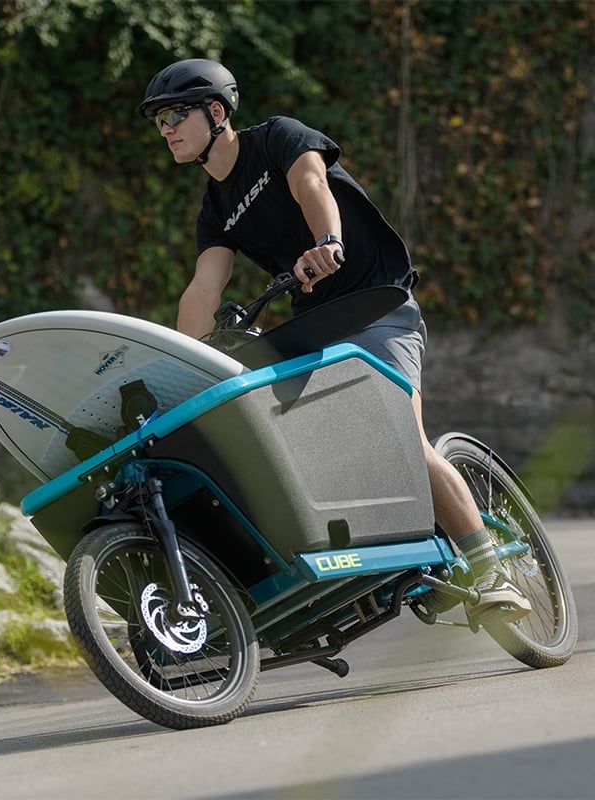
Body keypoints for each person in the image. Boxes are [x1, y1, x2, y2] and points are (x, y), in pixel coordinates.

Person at [137, 58, 531, 623]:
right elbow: (202, 291)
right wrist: (179, 373)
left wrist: (328, 240)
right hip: (314, 327)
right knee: (285, 441)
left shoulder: (277, 137)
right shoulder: (215, 209)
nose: (166, 128)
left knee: (400, 436)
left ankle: (492, 568)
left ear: (216, 111)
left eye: (175, 113)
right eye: (158, 121)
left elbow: (311, 182)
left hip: (377, 305)